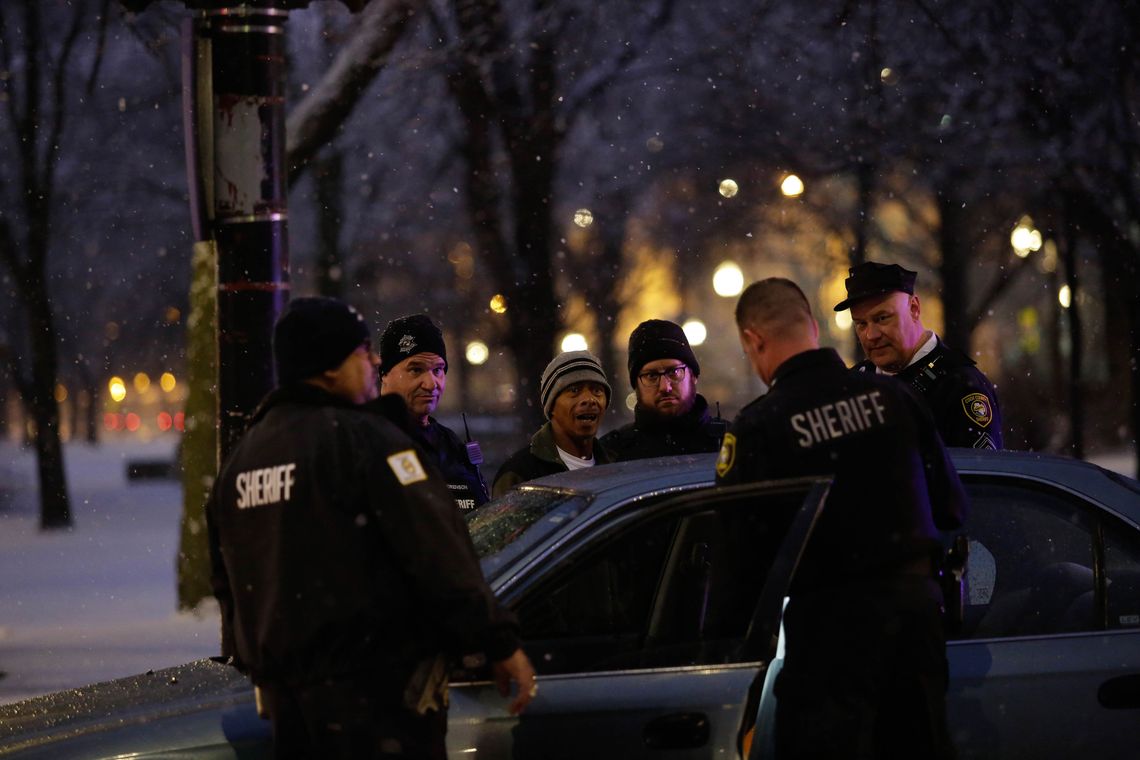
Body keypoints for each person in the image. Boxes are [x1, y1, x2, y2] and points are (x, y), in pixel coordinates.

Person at [206, 297, 535, 760]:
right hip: (377, 704)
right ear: (327, 366)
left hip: (289, 710)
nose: (374, 363)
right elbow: (437, 553)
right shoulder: (366, 442)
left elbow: (228, 584)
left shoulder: (242, 461)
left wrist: (264, 669)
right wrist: (497, 641)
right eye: (362, 353)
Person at [717, 278, 968, 760]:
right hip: (915, 628)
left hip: (829, 641)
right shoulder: (895, 399)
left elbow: (740, 570)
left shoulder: (759, 428)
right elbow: (952, 507)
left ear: (753, 340)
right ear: (813, 326)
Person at [834, 260, 1004, 449]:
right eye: (861, 324)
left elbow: (978, 473)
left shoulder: (960, 385)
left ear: (914, 308)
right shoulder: (855, 384)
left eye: (882, 318)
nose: (871, 335)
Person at [376, 313, 489, 511]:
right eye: (416, 370)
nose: (431, 384)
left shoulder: (450, 442)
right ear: (384, 374)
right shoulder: (366, 441)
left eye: (438, 370)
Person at [600, 319, 726, 461]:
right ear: (636, 385)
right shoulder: (610, 453)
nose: (665, 387)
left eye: (674, 372)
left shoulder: (732, 442)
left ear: (693, 375)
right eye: (651, 376)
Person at [492, 349, 613, 497]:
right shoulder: (519, 473)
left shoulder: (618, 466)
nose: (589, 399)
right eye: (574, 390)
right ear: (551, 407)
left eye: (597, 391)